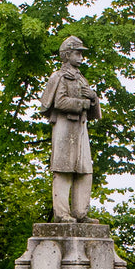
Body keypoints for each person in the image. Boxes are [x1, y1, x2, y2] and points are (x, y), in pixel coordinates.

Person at [40, 34, 100, 221]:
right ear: (66, 55)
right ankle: (62, 214)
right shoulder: (59, 77)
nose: (81, 57)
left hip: (80, 129)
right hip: (65, 128)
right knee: (63, 169)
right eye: (77, 53)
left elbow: (92, 109)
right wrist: (82, 103)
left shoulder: (82, 79)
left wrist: (93, 97)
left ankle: (81, 213)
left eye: (81, 54)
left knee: (84, 170)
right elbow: (58, 102)